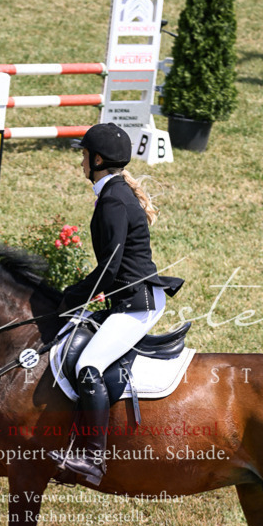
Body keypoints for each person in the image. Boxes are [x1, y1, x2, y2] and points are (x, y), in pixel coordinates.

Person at [50, 122, 184, 486]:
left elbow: (109, 269)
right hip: (128, 297)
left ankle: (92, 459)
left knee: (89, 364)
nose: (81, 162)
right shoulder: (115, 192)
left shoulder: (113, 200)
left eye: (83, 155)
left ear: (97, 160)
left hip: (137, 303)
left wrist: (71, 297)